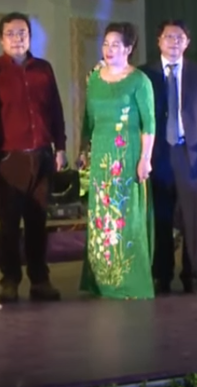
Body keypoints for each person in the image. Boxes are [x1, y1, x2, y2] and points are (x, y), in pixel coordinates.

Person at [0, 12, 66, 303]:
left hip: (42, 155)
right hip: (9, 159)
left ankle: (40, 280)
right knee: (9, 224)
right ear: (1, 39)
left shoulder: (43, 69)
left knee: (38, 221)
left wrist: (60, 147)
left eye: (23, 33)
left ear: (29, 37)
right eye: (11, 34)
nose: (18, 39)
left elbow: (55, 110)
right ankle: (10, 281)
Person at [76, 22, 156, 300]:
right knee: (101, 218)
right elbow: (88, 119)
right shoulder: (94, 79)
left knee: (125, 217)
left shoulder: (139, 81)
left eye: (116, 45)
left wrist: (145, 159)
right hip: (100, 158)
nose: (109, 50)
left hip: (127, 156)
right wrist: (83, 151)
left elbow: (149, 124)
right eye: (105, 44)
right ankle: (102, 279)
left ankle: (129, 281)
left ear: (129, 48)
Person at [143, 20, 197, 294]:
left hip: (192, 154)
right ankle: (161, 274)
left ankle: (193, 274)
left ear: (187, 42)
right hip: (157, 154)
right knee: (161, 218)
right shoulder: (144, 74)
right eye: (168, 37)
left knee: (194, 220)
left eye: (180, 38)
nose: (174, 42)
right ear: (159, 41)